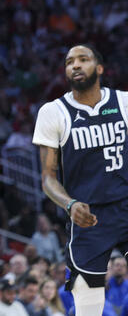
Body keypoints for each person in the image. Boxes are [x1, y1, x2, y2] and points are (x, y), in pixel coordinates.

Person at [32, 44, 128, 316]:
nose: (75, 65)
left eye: (82, 59)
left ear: (99, 68)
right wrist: (69, 203)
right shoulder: (53, 112)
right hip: (87, 214)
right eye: (69, 61)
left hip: (126, 203)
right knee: (87, 306)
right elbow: (48, 178)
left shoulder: (123, 103)